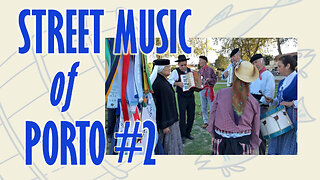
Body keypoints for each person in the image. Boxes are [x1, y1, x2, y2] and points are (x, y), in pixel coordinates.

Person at [207, 61, 261, 155]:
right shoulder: (253, 101)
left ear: (234, 76)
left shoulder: (220, 93)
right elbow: (256, 128)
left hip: (221, 141)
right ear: (249, 81)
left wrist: (212, 134)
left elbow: (212, 116)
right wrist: (253, 144)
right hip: (242, 143)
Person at [265, 55, 297, 155]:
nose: (277, 69)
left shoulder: (298, 79)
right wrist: (272, 101)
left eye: (279, 66)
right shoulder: (282, 81)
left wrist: (291, 103)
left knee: (287, 145)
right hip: (279, 116)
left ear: (288, 66)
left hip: (291, 116)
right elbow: (280, 100)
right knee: (275, 142)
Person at [150, 59, 184, 155]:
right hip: (167, 122)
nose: (169, 68)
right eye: (167, 67)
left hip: (170, 119)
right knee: (169, 148)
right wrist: (165, 125)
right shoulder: (159, 83)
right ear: (160, 69)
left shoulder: (163, 81)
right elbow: (161, 105)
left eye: (169, 66)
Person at [249, 54, 275, 155]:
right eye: (253, 63)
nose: (255, 65)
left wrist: (258, 101)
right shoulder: (252, 75)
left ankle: (261, 154)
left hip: (261, 107)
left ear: (262, 61)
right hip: (250, 106)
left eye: (256, 62)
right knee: (249, 132)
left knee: (260, 134)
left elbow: (269, 94)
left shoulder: (269, 75)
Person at [168, 55, 195, 143]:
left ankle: (188, 133)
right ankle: (182, 134)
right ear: (178, 65)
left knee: (191, 115)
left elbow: (195, 81)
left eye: (185, 64)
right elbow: (170, 81)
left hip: (191, 96)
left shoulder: (191, 71)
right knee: (182, 116)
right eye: (182, 65)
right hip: (182, 96)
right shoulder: (176, 72)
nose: (183, 67)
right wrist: (177, 83)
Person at [198, 55, 217, 129]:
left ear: (204, 61)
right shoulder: (199, 71)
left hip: (209, 90)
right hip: (202, 90)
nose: (199, 62)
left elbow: (215, 79)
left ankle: (213, 122)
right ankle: (205, 122)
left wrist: (210, 80)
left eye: (200, 60)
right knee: (203, 107)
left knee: (212, 106)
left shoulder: (211, 70)